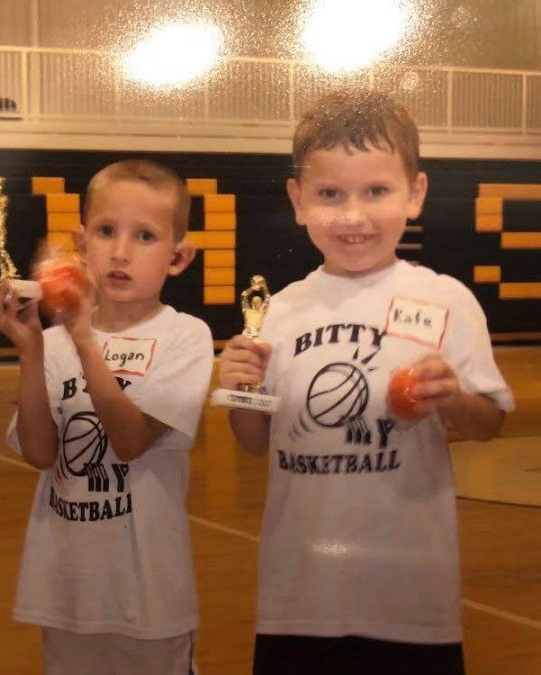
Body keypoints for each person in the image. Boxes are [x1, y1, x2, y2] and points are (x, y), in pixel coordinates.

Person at [218, 89, 514, 675]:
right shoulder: (277, 312)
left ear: (416, 193)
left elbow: (489, 423)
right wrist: (242, 389)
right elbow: (254, 442)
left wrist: (453, 395)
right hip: (297, 598)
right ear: (298, 202)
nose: (353, 216)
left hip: (411, 598)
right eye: (330, 194)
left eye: (376, 191)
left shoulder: (446, 299)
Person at [0, 159, 213, 674]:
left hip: (149, 594)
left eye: (145, 236)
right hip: (67, 589)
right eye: (107, 231)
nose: (121, 251)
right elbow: (41, 455)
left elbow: (130, 441)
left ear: (179, 256)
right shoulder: (57, 341)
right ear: (82, 244)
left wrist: (84, 342)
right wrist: (33, 350)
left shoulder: (185, 337)